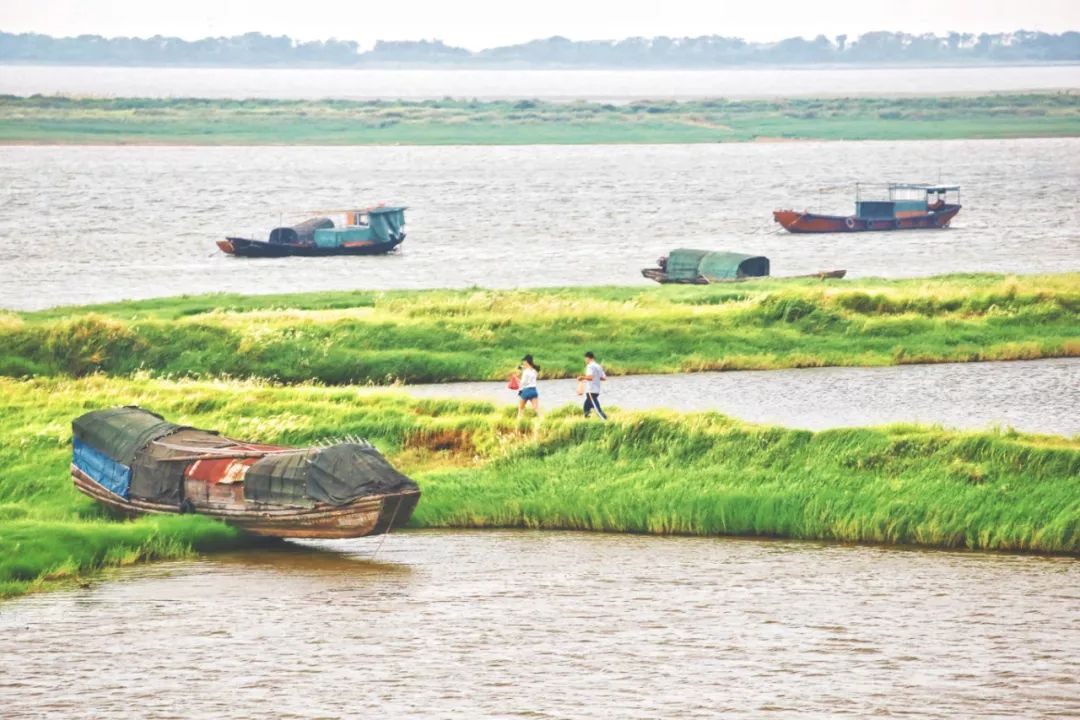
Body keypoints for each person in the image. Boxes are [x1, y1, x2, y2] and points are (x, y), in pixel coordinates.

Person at [578, 351, 607, 420]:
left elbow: (590, 378)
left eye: (585, 359)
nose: (585, 361)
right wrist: (596, 376)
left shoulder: (590, 366)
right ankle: (587, 421)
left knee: (597, 409)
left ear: (588, 358)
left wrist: (582, 377)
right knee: (586, 407)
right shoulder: (598, 366)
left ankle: (605, 421)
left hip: (591, 391)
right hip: (596, 390)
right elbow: (603, 378)